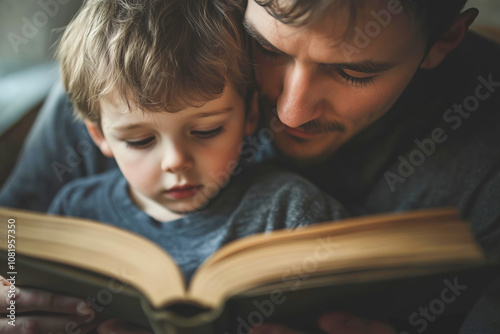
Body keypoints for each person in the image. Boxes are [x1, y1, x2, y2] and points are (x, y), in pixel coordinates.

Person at [1, 0, 499, 333]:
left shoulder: (485, 151)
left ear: (444, 40)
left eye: (354, 71)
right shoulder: (126, 56)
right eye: (265, 48)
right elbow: (13, 237)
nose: (291, 112)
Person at [0, 0, 347, 333]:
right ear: (99, 136)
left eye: (206, 130)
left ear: (250, 115)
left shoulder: (293, 212)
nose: (175, 161)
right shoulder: (71, 211)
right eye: (139, 141)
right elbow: (12, 271)